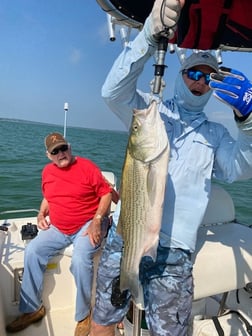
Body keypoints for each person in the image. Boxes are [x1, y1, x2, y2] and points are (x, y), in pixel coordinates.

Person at [90, 0, 252, 335]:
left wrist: (248, 124)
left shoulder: (217, 135)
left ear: (212, 88)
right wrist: (147, 37)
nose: (199, 82)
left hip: (176, 253)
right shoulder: (153, 113)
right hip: (127, 236)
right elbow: (112, 94)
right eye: (194, 73)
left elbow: (240, 169)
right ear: (181, 77)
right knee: (104, 317)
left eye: (208, 79)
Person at [6, 132, 113, 336]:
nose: (61, 153)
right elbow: (48, 196)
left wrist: (97, 221)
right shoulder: (47, 172)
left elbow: (106, 194)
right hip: (59, 227)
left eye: (63, 148)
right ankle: (32, 309)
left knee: (80, 259)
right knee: (33, 251)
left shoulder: (87, 167)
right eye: (55, 151)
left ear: (70, 148)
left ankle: (83, 315)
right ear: (49, 155)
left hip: (87, 223)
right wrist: (41, 213)